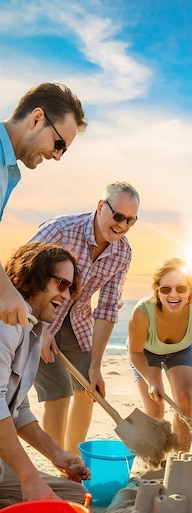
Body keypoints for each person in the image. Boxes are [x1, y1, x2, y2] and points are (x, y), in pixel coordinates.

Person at [29, 180, 140, 455]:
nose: (123, 226)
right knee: (58, 393)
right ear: (101, 206)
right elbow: (19, 276)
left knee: (88, 391)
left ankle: (74, 458)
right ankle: (57, 461)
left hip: (77, 322)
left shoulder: (122, 252)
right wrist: (39, 329)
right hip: (37, 317)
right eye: (118, 217)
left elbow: (107, 308)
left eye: (131, 221)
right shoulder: (61, 230)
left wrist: (96, 366)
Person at [0, 241, 90, 507]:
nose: (66, 296)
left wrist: (56, 454)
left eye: (71, 288)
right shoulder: (7, 326)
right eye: (61, 284)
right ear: (34, 276)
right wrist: (29, 477)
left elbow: (18, 408)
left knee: (74, 497)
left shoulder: (33, 331)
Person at [0, 82, 87, 329]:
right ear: (37, 119)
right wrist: (5, 290)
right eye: (59, 144)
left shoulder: (8, 171)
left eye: (64, 151)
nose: (57, 156)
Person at [128, 258, 192, 451]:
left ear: (190, 290)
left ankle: (181, 459)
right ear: (157, 290)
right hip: (144, 353)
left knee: (184, 401)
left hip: (180, 352)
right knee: (156, 408)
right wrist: (151, 380)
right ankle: (156, 458)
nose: (173, 295)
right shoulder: (142, 311)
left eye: (181, 288)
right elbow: (135, 351)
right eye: (166, 289)